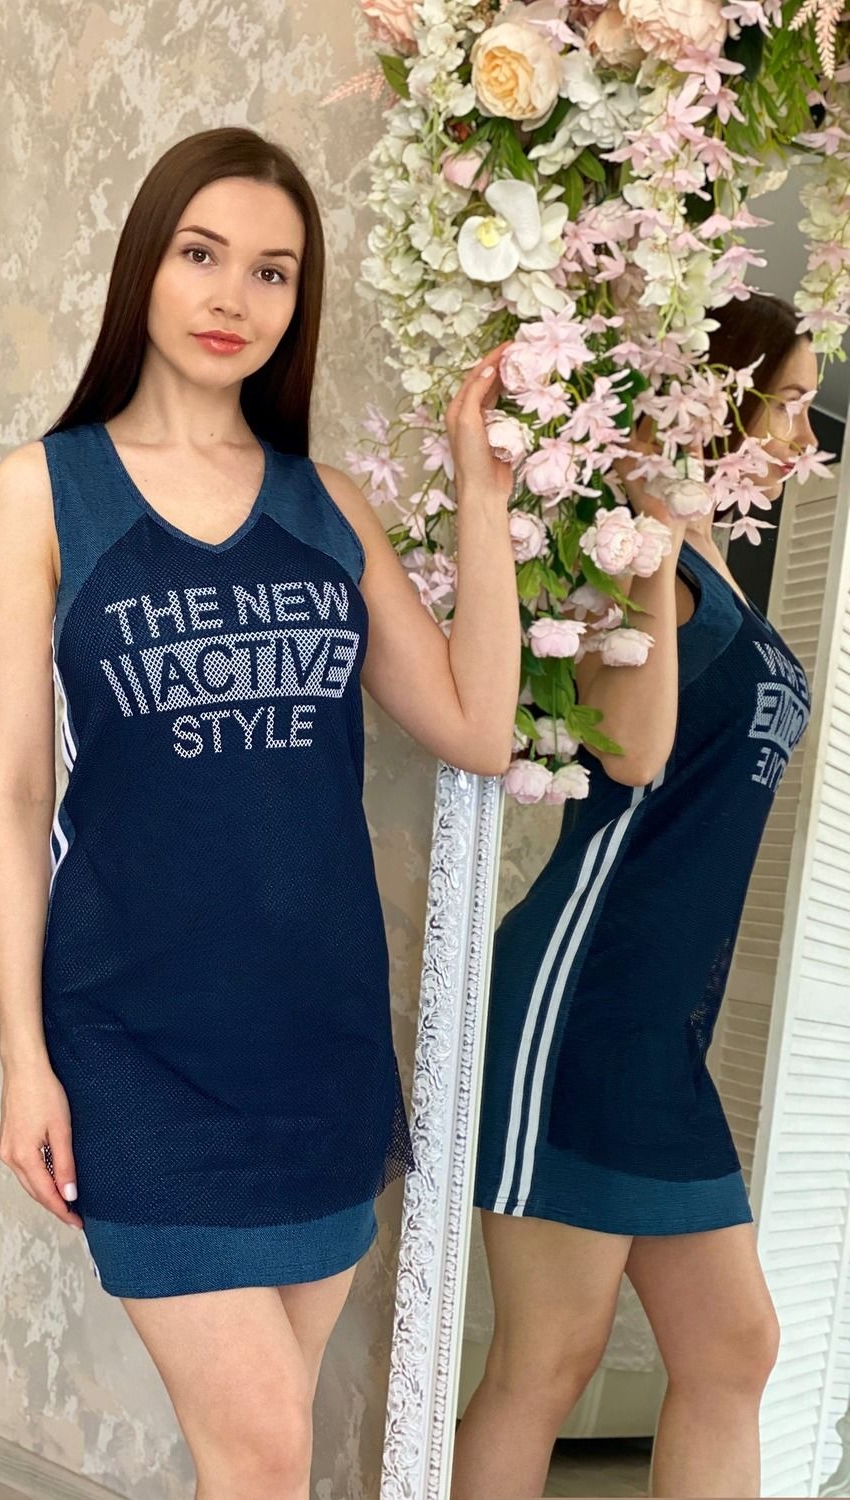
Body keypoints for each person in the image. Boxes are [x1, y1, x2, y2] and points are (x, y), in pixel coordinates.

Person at [0, 125, 520, 1499]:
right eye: (202, 254)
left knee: (255, 1464)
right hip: (136, 1045)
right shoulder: (46, 491)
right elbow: (16, 791)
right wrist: (25, 1058)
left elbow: (474, 726)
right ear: (145, 268)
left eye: (273, 272)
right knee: (268, 1452)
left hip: (318, 1045)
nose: (235, 298)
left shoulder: (325, 508)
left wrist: (483, 497)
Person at [453, 291, 819, 1500]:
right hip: (580, 1004)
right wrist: (653, 540)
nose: (802, 437)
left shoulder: (714, 568)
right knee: (546, 1361)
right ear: (722, 396)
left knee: (732, 1349)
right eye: (789, 404)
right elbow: (633, 756)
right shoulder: (637, 556)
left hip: (665, 1037)